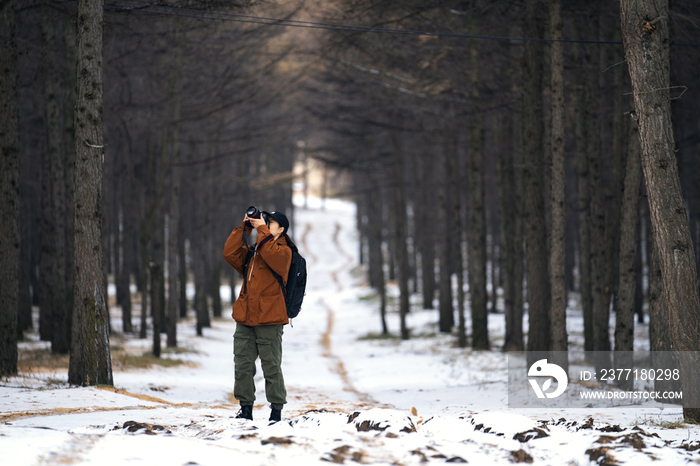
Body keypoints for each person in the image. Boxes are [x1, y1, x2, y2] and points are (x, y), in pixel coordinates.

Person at [222, 208, 292, 423]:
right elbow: (230, 253)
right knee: (242, 365)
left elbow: (270, 252)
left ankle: (276, 412)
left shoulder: (285, 252)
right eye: (264, 220)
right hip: (246, 318)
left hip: (270, 319)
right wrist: (243, 228)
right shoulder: (253, 253)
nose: (264, 223)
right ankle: (245, 410)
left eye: (270, 222)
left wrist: (261, 229)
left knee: (271, 367)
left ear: (281, 229)